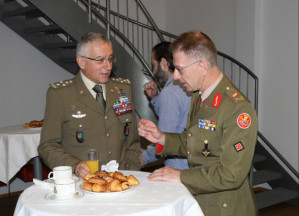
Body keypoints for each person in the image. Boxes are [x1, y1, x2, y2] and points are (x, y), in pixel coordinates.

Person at [138, 31, 258, 216]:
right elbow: (192, 142)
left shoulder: (236, 108)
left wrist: (180, 175)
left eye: (180, 69)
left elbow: (231, 175)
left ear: (202, 66)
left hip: (225, 208)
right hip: (200, 201)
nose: (176, 76)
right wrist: (161, 138)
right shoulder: (198, 96)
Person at [38, 32, 140, 179]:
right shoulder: (60, 95)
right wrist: (75, 165)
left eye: (110, 59)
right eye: (100, 60)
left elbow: (132, 141)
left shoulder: (122, 90)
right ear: (82, 62)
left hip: (120, 181)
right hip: (82, 184)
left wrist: (132, 170)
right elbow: (47, 146)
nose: (108, 66)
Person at [140, 42, 191, 169]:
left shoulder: (170, 92)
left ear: (163, 63)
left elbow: (164, 138)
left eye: (153, 65)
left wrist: (143, 158)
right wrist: (156, 98)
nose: (152, 71)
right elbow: (176, 119)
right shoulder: (188, 85)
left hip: (177, 166)